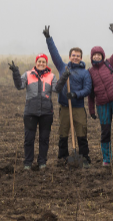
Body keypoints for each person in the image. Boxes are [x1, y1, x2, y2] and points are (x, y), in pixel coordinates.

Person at [43, 26, 93, 167]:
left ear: (81, 58)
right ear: (70, 56)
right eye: (73, 55)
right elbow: (54, 53)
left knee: (81, 132)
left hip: (78, 107)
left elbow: (88, 89)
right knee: (63, 132)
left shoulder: (85, 73)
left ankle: (84, 157)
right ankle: (63, 157)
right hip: (64, 107)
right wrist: (48, 38)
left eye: (78, 56)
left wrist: (76, 94)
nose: (75, 57)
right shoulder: (62, 67)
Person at [8, 55, 58, 170]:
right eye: (39, 61)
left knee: (44, 139)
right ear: (36, 63)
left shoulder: (52, 76)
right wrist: (16, 72)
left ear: (46, 63)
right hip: (30, 112)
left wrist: (64, 77)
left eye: (43, 62)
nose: (41, 63)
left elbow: (56, 89)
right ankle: (28, 163)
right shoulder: (28, 74)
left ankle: (42, 163)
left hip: (46, 113)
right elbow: (19, 86)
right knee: (29, 139)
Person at [88, 23, 113, 166]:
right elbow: (90, 93)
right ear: (92, 57)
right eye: (94, 55)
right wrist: (91, 109)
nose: (97, 57)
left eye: (99, 54)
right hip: (102, 105)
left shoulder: (110, 63)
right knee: (105, 132)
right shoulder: (89, 72)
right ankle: (106, 159)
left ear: (102, 55)